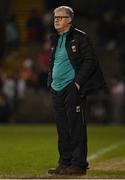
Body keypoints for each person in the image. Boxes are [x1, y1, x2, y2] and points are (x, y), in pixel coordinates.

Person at [47, 6, 106, 175]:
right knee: (62, 128)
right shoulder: (55, 38)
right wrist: (51, 82)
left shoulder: (80, 37)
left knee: (76, 127)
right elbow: (54, 63)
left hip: (72, 88)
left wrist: (78, 83)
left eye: (60, 17)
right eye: (55, 17)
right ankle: (64, 163)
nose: (56, 20)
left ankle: (78, 165)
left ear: (70, 20)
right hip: (56, 89)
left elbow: (90, 61)